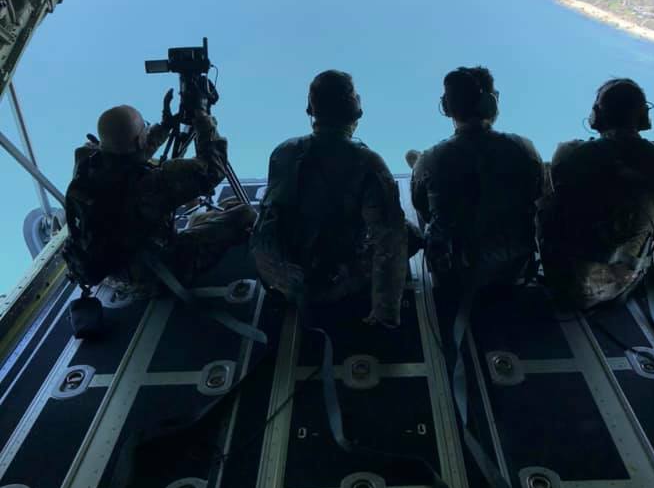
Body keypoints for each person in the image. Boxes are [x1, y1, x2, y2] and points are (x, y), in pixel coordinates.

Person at [251, 70, 407, 328]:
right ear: (354, 109)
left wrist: (281, 278)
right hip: (332, 285)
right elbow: (390, 238)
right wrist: (386, 311)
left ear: (310, 109)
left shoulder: (283, 151)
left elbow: (268, 223)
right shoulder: (367, 162)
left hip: (282, 281)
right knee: (408, 232)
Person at [64, 90, 255, 292]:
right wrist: (203, 118)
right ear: (139, 140)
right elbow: (212, 169)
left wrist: (165, 126)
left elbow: (129, 153)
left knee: (213, 215)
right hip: (149, 274)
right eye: (145, 129)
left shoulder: (87, 163)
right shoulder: (151, 185)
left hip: (109, 270)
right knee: (243, 214)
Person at [538, 78, 654, 310]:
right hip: (620, 288)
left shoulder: (570, 153)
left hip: (562, 279)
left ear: (597, 115)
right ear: (642, 117)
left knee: (545, 178)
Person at [409, 66, 544, 288]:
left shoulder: (430, 159)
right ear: (492, 102)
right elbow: (539, 193)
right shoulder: (524, 148)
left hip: (454, 276)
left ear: (447, 107)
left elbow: (421, 206)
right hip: (514, 270)